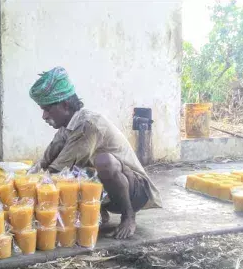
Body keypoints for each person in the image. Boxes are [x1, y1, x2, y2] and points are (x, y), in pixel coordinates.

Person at [29, 67, 162, 239]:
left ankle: (128, 216)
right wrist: (25, 176)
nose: (44, 116)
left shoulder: (88, 125)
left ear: (65, 105)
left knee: (103, 162)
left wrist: (28, 194)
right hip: (110, 194)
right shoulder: (65, 129)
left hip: (135, 191)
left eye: (47, 109)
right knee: (74, 174)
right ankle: (99, 212)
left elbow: (57, 169)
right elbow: (45, 161)